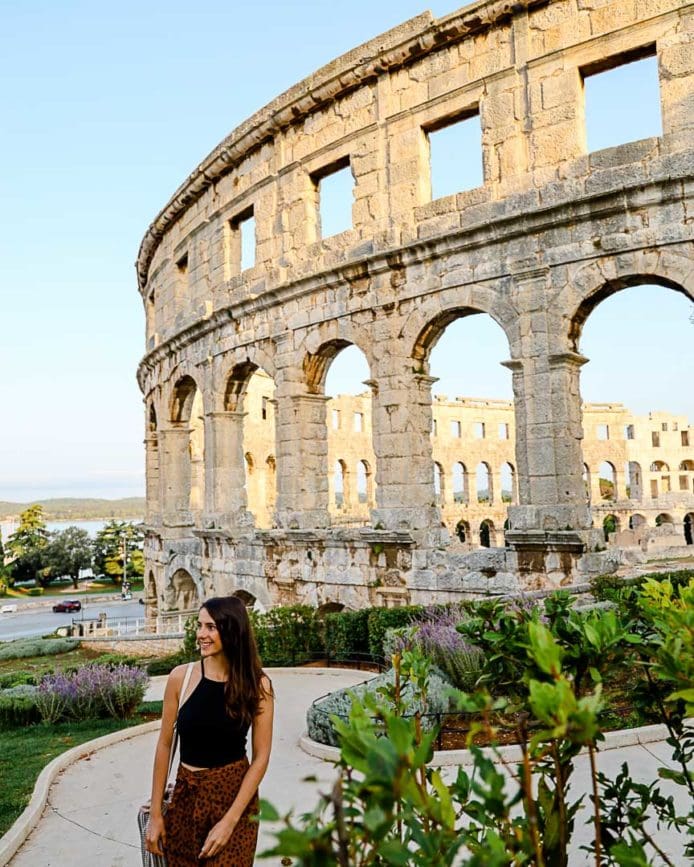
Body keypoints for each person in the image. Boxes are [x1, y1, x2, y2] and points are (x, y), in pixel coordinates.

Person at [145, 596, 274, 865]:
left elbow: (261, 757)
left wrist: (230, 821)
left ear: (232, 630)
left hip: (233, 799)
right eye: (199, 625)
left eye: (210, 627)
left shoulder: (258, 686)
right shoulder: (182, 677)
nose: (201, 634)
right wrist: (156, 814)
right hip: (185, 797)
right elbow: (165, 745)